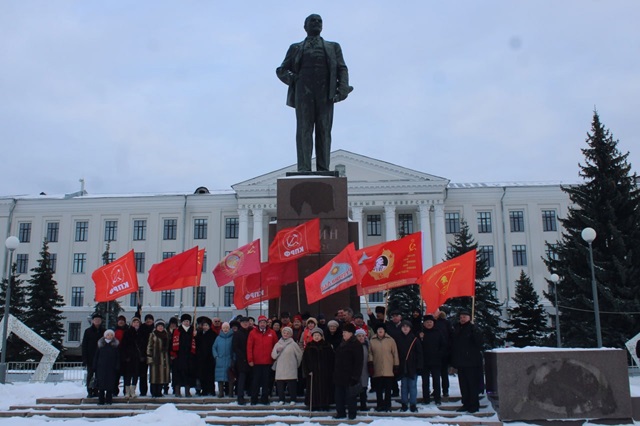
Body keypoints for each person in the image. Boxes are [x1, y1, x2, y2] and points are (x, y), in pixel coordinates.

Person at [276, 14, 352, 172]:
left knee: (324, 130)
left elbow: (341, 68)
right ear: (305, 27)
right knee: (304, 129)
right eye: (313, 21)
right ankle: (303, 168)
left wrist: (343, 88)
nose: (316, 23)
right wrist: (294, 79)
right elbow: (282, 70)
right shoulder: (295, 47)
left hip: (325, 91)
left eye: (319, 21)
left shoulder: (333, 47)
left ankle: (323, 169)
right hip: (303, 91)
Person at [451, 310, 484, 413]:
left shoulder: (473, 328)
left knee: (472, 384)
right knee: (463, 385)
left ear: (469, 318)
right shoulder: (457, 328)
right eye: (461, 317)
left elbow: (479, 343)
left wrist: (476, 331)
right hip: (461, 362)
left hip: (471, 362)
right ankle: (465, 403)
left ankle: (474, 405)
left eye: (464, 317)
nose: (462, 319)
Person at [333, 323, 363, 420]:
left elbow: (359, 362)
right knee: (339, 396)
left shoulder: (356, 344)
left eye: (345, 332)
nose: (343, 334)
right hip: (339, 375)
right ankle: (340, 412)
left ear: (351, 333)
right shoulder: (342, 343)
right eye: (343, 332)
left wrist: (355, 377)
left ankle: (352, 414)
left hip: (350, 376)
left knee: (351, 397)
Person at [247, 315, 278, 405]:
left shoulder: (272, 333)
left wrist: (274, 358)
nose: (263, 324)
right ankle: (254, 399)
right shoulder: (252, 333)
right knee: (255, 381)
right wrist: (250, 360)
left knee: (266, 382)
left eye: (264, 322)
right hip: (256, 362)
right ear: (258, 323)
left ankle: (265, 399)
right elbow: (249, 347)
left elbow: (275, 345)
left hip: (268, 362)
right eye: (261, 322)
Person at [368, 323, 399, 412]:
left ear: (385, 331)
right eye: (378, 329)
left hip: (388, 368)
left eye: (382, 329)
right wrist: (370, 364)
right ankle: (379, 404)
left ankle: (387, 405)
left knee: (388, 389)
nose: (380, 331)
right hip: (377, 368)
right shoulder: (372, 340)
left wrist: (396, 365)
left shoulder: (390, 340)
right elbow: (370, 353)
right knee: (378, 389)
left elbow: (395, 353)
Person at [302, 327, 334, 411]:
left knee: (325, 388)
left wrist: (330, 370)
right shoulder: (309, 346)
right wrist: (307, 371)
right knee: (313, 389)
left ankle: (325, 404)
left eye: (318, 335)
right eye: (315, 335)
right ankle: (314, 404)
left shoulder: (327, 346)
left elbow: (332, 359)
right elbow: (305, 360)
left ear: (321, 336)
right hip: (313, 372)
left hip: (325, 372)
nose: (316, 337)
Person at [271, 326, 303, 405]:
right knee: (280, 384)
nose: (286, 334)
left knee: (292, 384)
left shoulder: (293, 344)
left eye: (288, 333)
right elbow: (273, 356)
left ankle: (293, 399)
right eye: (284, 333)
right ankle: (281, 399)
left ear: (290, 335)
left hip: (291, 366)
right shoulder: (278, 344)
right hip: (280, 367)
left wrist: (296, 365)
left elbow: (299, 355)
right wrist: (277, 351)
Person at [396, 320, 423, 412]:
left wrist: (419, 366)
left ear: (410, 328)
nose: (405, 328)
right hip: (402, 366)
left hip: (412, 366)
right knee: (403, 386)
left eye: (407, 326)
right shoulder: (397, 339)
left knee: (412, 386)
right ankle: (404, 404)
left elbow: (420, 354)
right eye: (403, 326)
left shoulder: (415, 339)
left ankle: (413, 404)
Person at [420, 314, 445, 405]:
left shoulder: (438, 332)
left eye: (430, 322)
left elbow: (443, 345)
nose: (429, 324)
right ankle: (426, 398)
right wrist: (421, 338)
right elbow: (418, 347)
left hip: (436, 360)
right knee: (425, 381)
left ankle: (437, 398)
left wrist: (439, 354)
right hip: (425, 361)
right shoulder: (421, 333)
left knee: (436, 381)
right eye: (427, 322)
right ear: (424, 324)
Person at [170, 313, 197, 397]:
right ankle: (177, 391)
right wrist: (172, 353)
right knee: (178, 375)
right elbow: (171, 343)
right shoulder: (177, 331)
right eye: (185, 321)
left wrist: (195, 336)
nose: (186, 323)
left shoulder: (193, 331)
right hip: (178, 356)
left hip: (189, 357)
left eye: (188, 321)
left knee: (188, 374)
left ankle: (187, 391)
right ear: (182, 322)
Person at [93, 329, 120, 405]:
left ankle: (109, 400)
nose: (110, 336)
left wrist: (117, 366)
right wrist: (94, 366)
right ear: (105, 336)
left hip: (111, 368)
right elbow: (96, 356)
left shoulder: (115, 346)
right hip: (101, 368)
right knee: (101, 386)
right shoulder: (101, 346)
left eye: (111, 335)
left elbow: (118, 357)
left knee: (110, 385)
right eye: (108, 335)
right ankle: (101, 400)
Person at [81, 313, 104, 398]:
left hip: (100, 357)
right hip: (90, 357)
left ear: (101, 321)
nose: (97, 321)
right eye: (95, 320)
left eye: (99, 320)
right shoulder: (88, 331)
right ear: (93, 321)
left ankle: (96, 390)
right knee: (90, 375)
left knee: (99, 375)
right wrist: (84, 358)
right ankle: (90, 391)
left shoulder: (103, 331)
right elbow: (84, 345)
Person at [147, 319, 171, 398]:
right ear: (156, 327)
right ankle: (154, 392)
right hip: (155, 357)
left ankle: (159, 391)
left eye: (162, 326)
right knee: (154, 376)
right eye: (159, 326)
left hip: (164, 358)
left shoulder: (167, 335)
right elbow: (149, 346)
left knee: (162, 376)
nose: (160, 328)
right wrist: (149, 356)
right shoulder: (153, 335)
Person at [120, 317, 142, 398]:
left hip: (137, 357)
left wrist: (142, 356)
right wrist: (125, 356)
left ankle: (133, 391)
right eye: (134, 322)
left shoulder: (141, 333)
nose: (136, 324)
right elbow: (123, 345)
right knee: (128, 375)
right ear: (132, 324)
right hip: (129, 357)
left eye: (137, 322)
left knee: (135, 374)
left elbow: (143, 345)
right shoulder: (127, 332)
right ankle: (127, 391)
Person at [434, 308, 454, 397]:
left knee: (443, 373)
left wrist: (448, 348)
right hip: (434, 352)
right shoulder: (431, 322)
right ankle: (436, 390)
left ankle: (445, 390)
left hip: (444, 352)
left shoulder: (446, 323)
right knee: (435, 374)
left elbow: (450, 335)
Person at [232, 317, 252, 405]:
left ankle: (251, 393)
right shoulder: (237, 333)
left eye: (247, 322)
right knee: (241, 379)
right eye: (243, 322)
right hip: (241, 360)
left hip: (251, 359)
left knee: (251, 377)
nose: (245, 324)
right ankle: (240, 396)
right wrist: (243, 356)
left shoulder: (251, 332)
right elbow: (235, 347)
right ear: (240, 323)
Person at [195, 317, 217, 396]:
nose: (205, 327)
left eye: (206, 325)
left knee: (210, 376)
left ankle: (211, 390)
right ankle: (204, 390)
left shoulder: (213, 334)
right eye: (203, 325)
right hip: (201, 358)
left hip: (210, 358)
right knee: (202, 375)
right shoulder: (200, 334)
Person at [213, 321, 234, 397]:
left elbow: (234, 349)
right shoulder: (218, 338)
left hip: (229, 360)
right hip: (220, 360)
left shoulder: (232, 337)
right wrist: (216, 356)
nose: (225, 329)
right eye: (224, 328)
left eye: (227, 328)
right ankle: (221, 392)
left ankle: (230, 393)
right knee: (220, 378)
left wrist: (233, 358)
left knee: (230, 377)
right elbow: (214, 348)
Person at [354, 328, 369, 412]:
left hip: (365, 370)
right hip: (355, 370)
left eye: (362, 336)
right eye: (359, 336)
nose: (361, 338)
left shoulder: (367, 345)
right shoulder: (353, 345)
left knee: (364, 388)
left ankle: (363, 405)